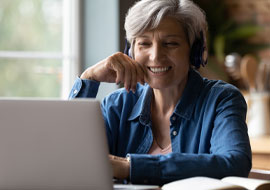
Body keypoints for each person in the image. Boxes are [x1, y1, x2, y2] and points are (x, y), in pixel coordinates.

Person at [69, 0, 251, 185]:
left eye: (170, 43)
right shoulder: (117, 106)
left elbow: (234, 163)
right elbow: (68, 160)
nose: (156, 56)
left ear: (195, 51)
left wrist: (129, 167)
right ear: (130, 52)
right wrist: (88, 79)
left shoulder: (221, 99)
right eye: (144, 44)